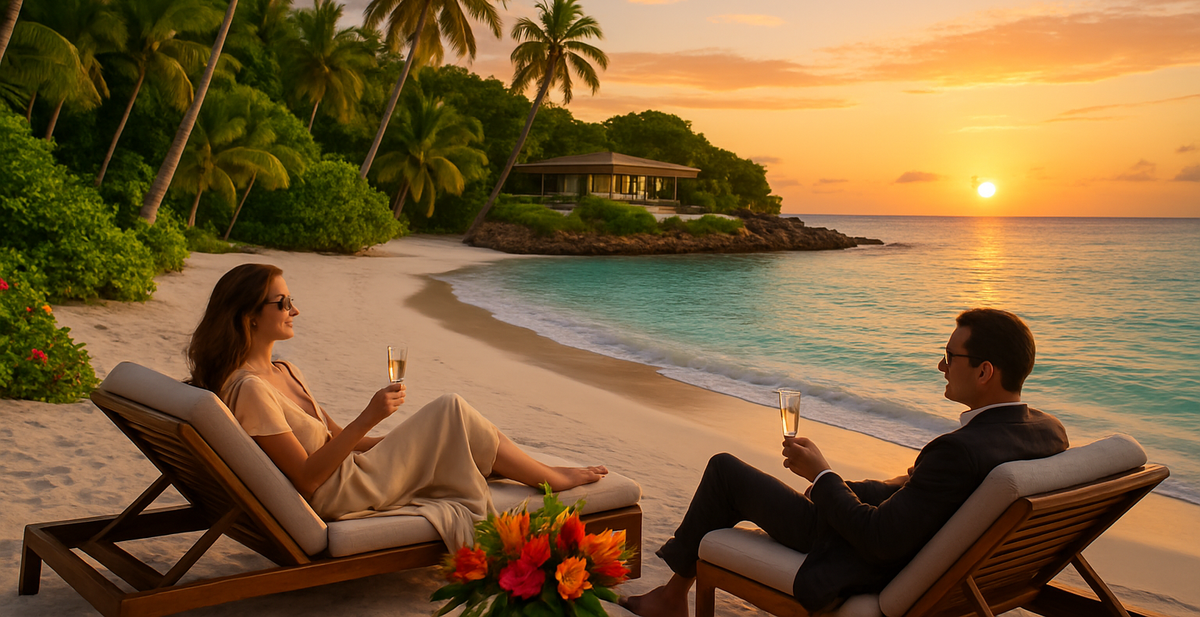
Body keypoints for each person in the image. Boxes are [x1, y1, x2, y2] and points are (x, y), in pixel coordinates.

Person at [624, 308, 1069, 617]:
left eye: (951, 357)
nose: (940, 365)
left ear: (985, 371)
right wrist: (841, 486)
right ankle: (670, 594)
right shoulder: (1046, 431)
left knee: (725, 471)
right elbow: (923, 496)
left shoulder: (958, 451)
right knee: (815, 488)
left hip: (858, 556)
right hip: (940, 558)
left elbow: (878, 537)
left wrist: (821, 475)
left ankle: (669, 598)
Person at [186, 263, 607, 551]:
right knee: (451, 408)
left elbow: (337, 438)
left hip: (350, 471)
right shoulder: (251, 390)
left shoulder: (285, 369)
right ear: (249, 317)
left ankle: (536, 473)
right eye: (282, 303)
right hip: (339, 491)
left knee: (450, 425)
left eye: (291, 299)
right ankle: (549, 478)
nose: (295, 310)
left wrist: (406, 439)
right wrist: (370, 415)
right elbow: (308, 479)